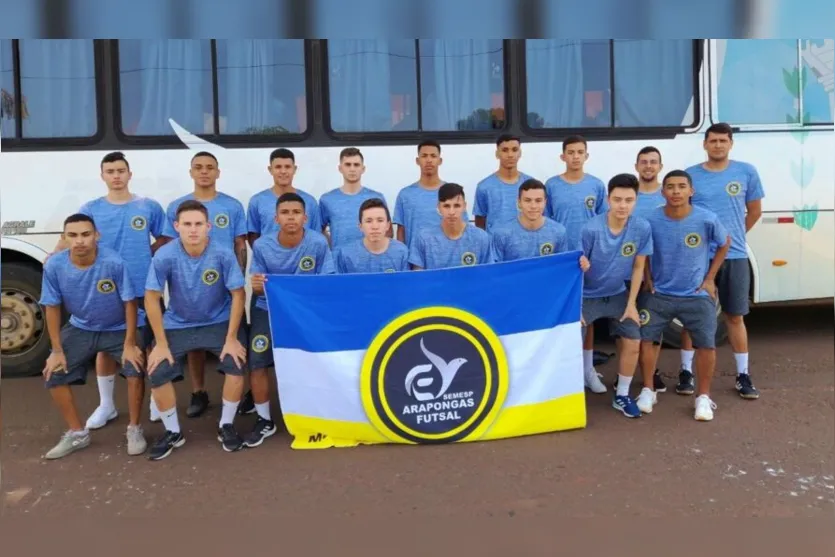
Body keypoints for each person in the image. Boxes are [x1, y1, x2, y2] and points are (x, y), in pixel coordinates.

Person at [51, 151, 165, 431]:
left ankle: (156, 400)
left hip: (141, 287)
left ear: (129, 174)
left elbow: (163, 237)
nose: (116, 176)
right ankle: (106, 405)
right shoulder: (91, 208)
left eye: (120, 170)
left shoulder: (148, 206)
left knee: (148, 343)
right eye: (110, 171)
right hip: (102, 288)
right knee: (104, 345)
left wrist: (146, 258)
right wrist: (52, 255)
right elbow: (70, 236)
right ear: (102, 176)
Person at [144, 200, 249, 460]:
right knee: (157, 370)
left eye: (198, 224)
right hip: (178, 323)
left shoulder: (223, 253)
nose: (193, 230)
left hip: (218, 321)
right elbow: (150, 297)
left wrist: (232, 338)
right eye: (187, 224)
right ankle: (172, 432)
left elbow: (238, 294)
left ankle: (226, 425)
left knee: (236, 363)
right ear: (177, 226)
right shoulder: (165, 255)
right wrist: (160, 342)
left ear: (208, 226)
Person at [40, 214, 147, 459]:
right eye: (73, 235)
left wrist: (130, 343)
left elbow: (130, 303)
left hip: (119, 327)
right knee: (53, 373)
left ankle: (134, 428)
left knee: (134, 367)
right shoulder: (55, 265)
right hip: (81, 327)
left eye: (85, 235)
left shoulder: (113, 262)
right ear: (64, 238)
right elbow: (52, 307)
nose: (79, 241)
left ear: (96, 236)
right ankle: (78, 434)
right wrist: (56, 350)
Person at [678, 123, 764, 400]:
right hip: (698, 258)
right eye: (712, 141)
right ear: (704, 144)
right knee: (693, 318)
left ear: (730, 144)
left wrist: (730, 240)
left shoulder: (746, 172)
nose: (718, 145)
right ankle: (685, 372)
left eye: (722, 141)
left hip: (736, 256)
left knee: (734, 316)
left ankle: (743, 375)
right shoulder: (691, 176)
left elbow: (754, 211)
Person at [158, 151, 247, 420]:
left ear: (218, 172)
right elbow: (165, 245)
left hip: (225, 284)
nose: (204, 172)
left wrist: (237, 281)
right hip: (188, 286)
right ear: (191, 172)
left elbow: (240, 245)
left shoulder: (232, 206)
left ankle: (232, 399)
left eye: (210, 167)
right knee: (193, 340)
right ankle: (198, 391)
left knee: (231, 343)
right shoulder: (176, 205)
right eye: (199, 167)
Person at [637, 170, 730, 421]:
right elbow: (642, 251)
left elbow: (725, 243)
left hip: (696, 295)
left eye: (681, 186)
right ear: (662, 191)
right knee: (647, 340)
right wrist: (647, 277)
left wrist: (710, 278)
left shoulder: (706, 219)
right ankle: (648, 390)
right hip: (659, 294)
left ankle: (703, 397)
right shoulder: (651, 220)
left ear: (691, 191)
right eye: (670, 187)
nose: (676, 191)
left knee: (707, 345)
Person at [246, 193, 336, 447]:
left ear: (305, 217)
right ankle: (264, 419)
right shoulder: (263, 246)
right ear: (276, 218)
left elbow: (327, 280)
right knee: (257, 360)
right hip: (268, 309)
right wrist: (257, 285)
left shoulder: (318, 243)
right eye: (285, 212)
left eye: (296, 212)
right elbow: (258, 288)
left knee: (312, 359)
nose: (291, 217)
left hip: (305, 311)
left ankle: (316, 410)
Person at [240, 148, 322, 416]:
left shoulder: (310, 208)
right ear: (271, 169)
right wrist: (270, 272)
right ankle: (263, 414)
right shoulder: (259, 211)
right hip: (267, 299)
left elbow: (317, 246)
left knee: (303, 357)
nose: (283, 171)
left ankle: (307, 408)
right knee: (259, 358)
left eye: (288, 166)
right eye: (278, 166)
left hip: (302, 303)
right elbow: (252, 237)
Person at [579, 174, 653, 414]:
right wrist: (575, 306)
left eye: (629, 200)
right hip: (587, 295)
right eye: (618, 199)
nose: (623, 205)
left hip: (618, 293)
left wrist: (631, 304)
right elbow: (576, 270)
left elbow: (639, 266)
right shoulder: (590, 229)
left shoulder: (641, 227)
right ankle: (571, 392)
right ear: (608, 200)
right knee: (570, 341)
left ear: (636, 200)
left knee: (633, 340)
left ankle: (621, 394)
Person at [544, 135, 608, 386]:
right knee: (561, 314)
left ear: (586, 155)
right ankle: (562, 372)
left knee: (586, 316)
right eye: (570, 152)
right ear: (563, 156)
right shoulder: (552, 186)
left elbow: (603, 223)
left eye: (580, 152)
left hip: (587, 259)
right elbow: (546, 223)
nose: (575, 156)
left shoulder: (596, 185)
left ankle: (587, 370)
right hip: (561, 260)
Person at [632, 146, 668, 393]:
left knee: (652, 327)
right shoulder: (628, 195)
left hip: (657, 272)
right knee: (629, 327)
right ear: (636, 166)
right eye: (643, 162)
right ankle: (627, 373)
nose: (648, 166)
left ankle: (651, 373)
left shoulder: (668, 195)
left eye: (653, 162)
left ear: (660, 167)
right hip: (630, 270)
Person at [393, 140, 469, 251]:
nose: (429, 160)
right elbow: (401, 231)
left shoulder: (452, 193)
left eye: (433, 156)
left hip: (447, 256)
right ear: (417, 161)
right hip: (415, 260)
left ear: (440, 160)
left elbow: (463, 226)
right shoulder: (405, 195)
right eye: (424, 156)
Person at [408, 183, 493, 270]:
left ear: (464, 206)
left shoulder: (481, 238)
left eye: (457, 206)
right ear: (438, 207)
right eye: (446, 206)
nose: (451, 212)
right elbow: (418, 278)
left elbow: (488, 276)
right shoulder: (423, 239)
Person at [319, 147, 389, 248]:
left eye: (356, 165)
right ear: (340, 168)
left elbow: (387, 231)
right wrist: (332, 248)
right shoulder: (327, 199)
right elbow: (319, 231)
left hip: (369, 259)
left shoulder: (376, 197)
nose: (352, 169)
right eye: (348, 165)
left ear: (363, 169)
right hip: (338, 261)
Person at [491, 178, 570, 262]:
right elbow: (495, 270)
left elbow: (563, 266)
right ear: (519, 202)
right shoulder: (502, 234)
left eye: (538, 201)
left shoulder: (559, 231)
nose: (533, 206)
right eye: (527, 200)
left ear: (545, 202)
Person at [473, 134, 535, 233]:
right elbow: (480, 222)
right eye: (505, 150)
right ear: (497, 154)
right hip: (495, 246)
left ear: (520, 153)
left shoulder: (531, 185)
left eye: (514, 150)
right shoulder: (484, 186)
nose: (510, 155)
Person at [334, 198, 410, 274]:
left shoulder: (401, 252)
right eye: (368, 221)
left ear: (388, 225)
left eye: (380, 220)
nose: (375, 227)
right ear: (360, 226)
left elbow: (407, 283)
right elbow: (339, 284)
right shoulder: (346, 254)